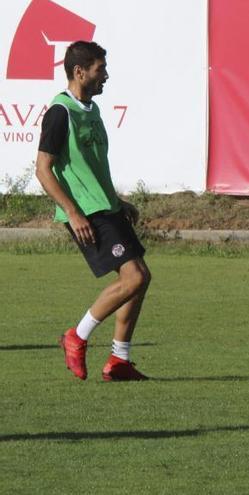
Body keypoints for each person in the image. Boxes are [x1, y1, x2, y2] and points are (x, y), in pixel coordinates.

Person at [35, 41, 151, 381]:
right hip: (87, 212)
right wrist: (72, 212)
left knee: (139, 281)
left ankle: (119, 361)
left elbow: (91, 166)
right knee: (135, 277)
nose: (106, 76)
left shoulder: (92, 110)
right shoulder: (61, 112)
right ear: (79, 71)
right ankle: (77, 336)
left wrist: (116, 199)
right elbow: (43, 169)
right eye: (100, 69)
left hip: (106, 206)